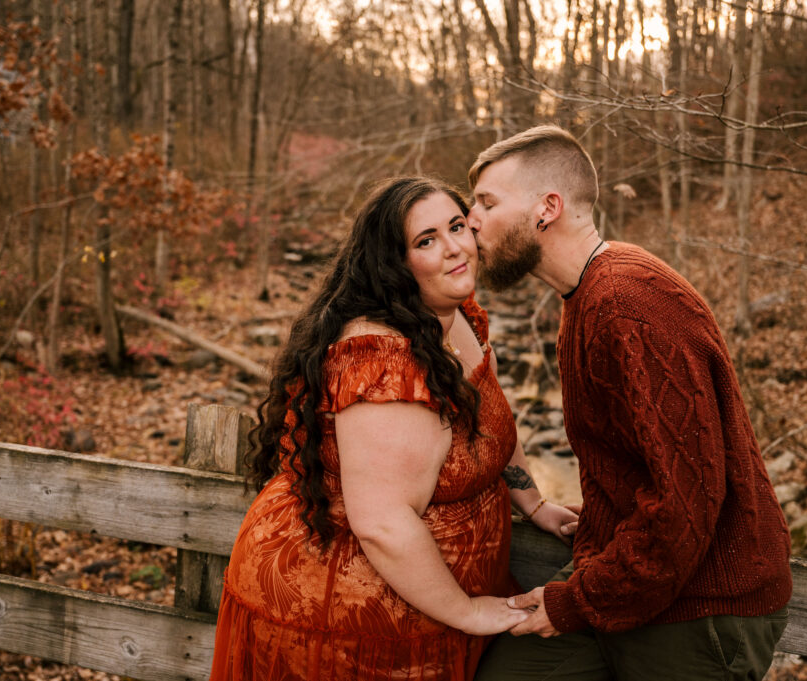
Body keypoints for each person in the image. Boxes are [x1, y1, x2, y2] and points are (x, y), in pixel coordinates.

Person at [208, 177, 578, 681]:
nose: (453, 249)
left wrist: (532, 502)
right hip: (350, 624)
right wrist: (468, 612)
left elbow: (489, 419)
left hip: (431, 608)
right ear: (394, 264)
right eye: (426, 241)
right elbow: (382, 523)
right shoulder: (384, 361)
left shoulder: (452, 315)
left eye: (456, 227)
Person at [466, 126, 793, 681]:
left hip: (701, 605)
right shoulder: (586, 297)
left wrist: (573, 600)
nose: (471, 218)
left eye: (486, 202)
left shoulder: (626, 303)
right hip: (628, 575)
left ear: (548, 208)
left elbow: (685, 502)